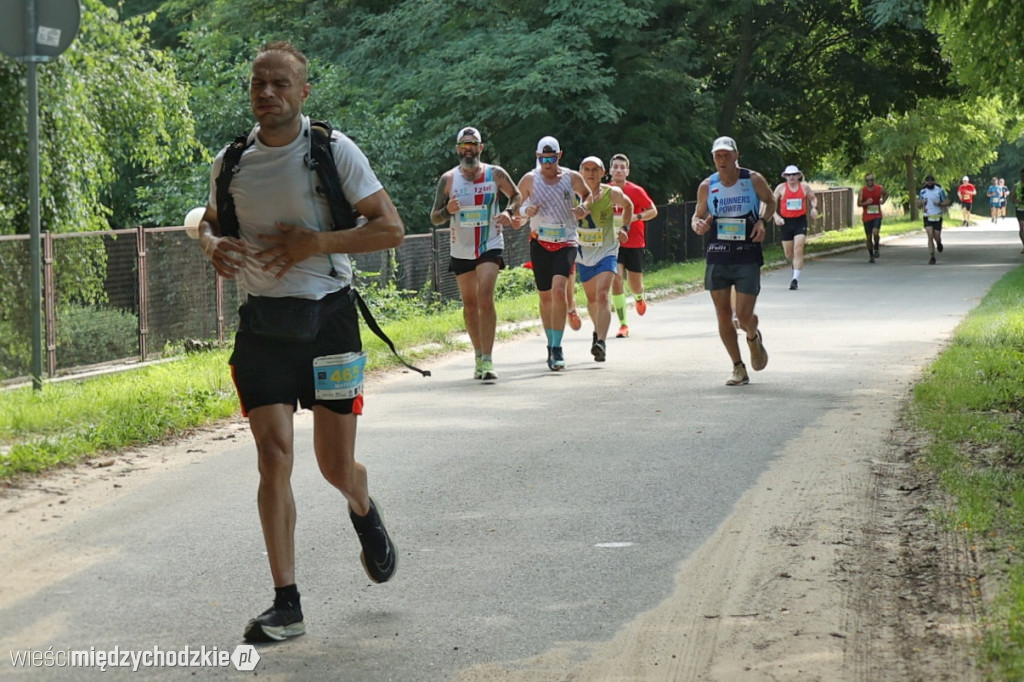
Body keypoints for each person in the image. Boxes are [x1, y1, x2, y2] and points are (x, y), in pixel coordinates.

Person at [196, 42, 403, 643]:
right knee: (273, 456)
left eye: (280, 83)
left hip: (330, 322)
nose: (267, 93)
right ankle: (287, 602)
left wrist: (316, 244)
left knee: (333, 465)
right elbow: (208, 220)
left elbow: (391, 229)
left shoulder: (332, 151)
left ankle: (362, 504)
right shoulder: (232, 159)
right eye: (259, 83)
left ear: (303, 92)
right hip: (263, 324)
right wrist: (211, 245)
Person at [430, 126, 521, 381]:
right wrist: (448, 210)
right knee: (470, 304)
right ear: (458, 149)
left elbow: (516, 195)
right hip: (461, 246)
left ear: (480, 148)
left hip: (490, 242)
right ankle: (478, 355)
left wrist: (509, 213)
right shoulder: (448, 179)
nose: (468, 149)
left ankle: (489, 359)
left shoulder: (495, 174)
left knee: (485, 295)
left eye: (473, 145)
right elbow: (435, 217)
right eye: (463, 146)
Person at [691, 136, 776, 386]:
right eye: (718, 155)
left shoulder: (753, 179)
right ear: (713, 158)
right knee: (723, 313)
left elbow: (771, 202)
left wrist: (762, 221)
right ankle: (738, 367)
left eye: (727, 154)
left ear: (737, 155)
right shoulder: (708, 185)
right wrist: (697, 224)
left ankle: (753, 336)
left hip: (747, 253)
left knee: (744, 315)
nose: (723, 159)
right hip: (718, 252)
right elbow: (697, 216)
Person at [515, 136, 591, 371]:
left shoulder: (571, 177)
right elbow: (515, 205)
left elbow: (588, 195)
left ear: (559, 156)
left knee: (559, 291)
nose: (547, 163)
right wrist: (526, 210)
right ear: (537, 157)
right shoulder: (530, 179)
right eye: (543, 158)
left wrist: (583, 207)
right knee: (546, 297)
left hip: (567, 241)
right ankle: (550, 343)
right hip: (540, 241)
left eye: (551, 158)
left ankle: (557, 347)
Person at [575, 156, 633, 361]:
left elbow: (629, 206)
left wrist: (625, 228)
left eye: (595, 170)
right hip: (583, 255)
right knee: (592, 300)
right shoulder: (573, 195)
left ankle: (601, 341)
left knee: (601, 295)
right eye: (586, 169)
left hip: (607, 251)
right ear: (580, 172)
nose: (591, 173)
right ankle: (597, 331)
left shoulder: (612, 193)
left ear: (602, 173)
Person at [607, 153, 657, 338]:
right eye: (615, 167)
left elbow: (653, 210)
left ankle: (639, 296)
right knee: (616, 280)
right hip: (613, 243)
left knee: (635, 285)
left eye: (622, 167)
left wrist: (636, 217)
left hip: (634, 242)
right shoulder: (605, 191)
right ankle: (623, 325)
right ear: (610, 170)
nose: (619, 170)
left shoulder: (636, 191)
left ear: (627, 171)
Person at [772, 165, 817, 290]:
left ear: (798, 175)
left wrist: (814, 208)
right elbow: (771, 204)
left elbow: (813, 198)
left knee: (798, 249)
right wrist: (776, 217)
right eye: (789, 175)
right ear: (785, 176)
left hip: (800, 221)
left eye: (794, 175)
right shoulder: (781, 188)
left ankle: (795, 279)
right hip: (786, 222)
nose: (791, 177)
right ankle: (795, 265)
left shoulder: (804, 187)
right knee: (789, 253)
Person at [917, 174, 949, 264]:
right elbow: (918, 205)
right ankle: (932, 257)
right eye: (928, 181)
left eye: (931, 181)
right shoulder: (923, 191)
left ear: (934, 182)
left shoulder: (939, 190)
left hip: (937, 215)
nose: (929, 182)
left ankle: (939, 243)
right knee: (930, 235)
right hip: (927, 215)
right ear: (925, 182)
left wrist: (940, 204)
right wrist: (922, 202)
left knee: (937, 236)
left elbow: (946, 202)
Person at [858, 173, 888, 263]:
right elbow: (859, 204)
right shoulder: (862, 191)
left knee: (875, 232)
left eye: (871, 180)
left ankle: (876, 247)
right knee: (868, 237)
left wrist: (883, 201)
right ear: (865, 181)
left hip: (877, 214)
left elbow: (886, 194)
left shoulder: (879, 188)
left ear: (873, 180)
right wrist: (866, 202)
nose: (870, 182)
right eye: (868, 180)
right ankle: (871, 255)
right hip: (867, 216)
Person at [1014, 169, 1024, 254]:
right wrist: (1016, 200)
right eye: (1022, 175)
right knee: (1022, 228)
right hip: (1020, 209)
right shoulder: (1017, 186)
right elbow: (1012, 198)